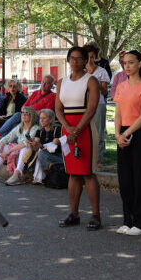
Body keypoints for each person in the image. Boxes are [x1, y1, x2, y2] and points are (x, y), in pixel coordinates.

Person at [55, 46, 103, 229]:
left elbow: (91, 109)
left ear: (85, 60)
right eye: (72, 58)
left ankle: (96, 215)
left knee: (88, 173)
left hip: (85, 129)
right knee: (73, 173)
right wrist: (68, 129)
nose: (75, 62)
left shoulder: (91, 80)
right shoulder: (61, 82)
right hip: (68, 129)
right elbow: (58, 109)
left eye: (79, 58)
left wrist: (76, 131)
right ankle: (73, 214)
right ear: (68, 60)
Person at [113, 50, 141, 235]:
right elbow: (118, 113)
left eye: (131, 62)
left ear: (139, 64)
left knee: (140, 179)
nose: (127, 66)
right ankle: (127, 220)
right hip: (122, 134)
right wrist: (117, 135)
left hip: (138, 134)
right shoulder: (121, 86)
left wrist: (127, 133)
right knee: (125, 180)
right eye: (124, 63)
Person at [0, 106, 38, 184]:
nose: (23, 115)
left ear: (32, 116)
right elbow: (5, 139)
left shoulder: (35, 128)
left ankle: (17, 174)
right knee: (5, 147)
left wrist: (9, 151)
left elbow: (25, 143)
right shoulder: (20, 127)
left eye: (27, 113)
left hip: (31, 151)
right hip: (18, 149)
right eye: (22, 113)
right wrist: (0, 151)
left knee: (25, 148)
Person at [0, 75, 55, 144]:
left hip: (38, 118)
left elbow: (46, 113)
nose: (43, 84)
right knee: (17, 124)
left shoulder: (53, 96)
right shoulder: (35, 93)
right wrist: (29, 111)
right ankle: (3, 141)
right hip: (27, 115)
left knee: (18, 115)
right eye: (43, 82)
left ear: (51, 85)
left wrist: (31, 112)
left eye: (46, 83)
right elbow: (24, 107)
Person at [85, 43, 111, 163]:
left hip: (98, 105)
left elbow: (105, 92)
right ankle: (86, 160)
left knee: (98, 134)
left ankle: (98, 160)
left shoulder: (102, 71)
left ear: (95, 57)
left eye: (92, 57)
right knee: (85, 134)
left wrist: (96, 83)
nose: (90, 60)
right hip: (83, 106)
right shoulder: (81, 71)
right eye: (87, 57)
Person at [31, 109, 65, 184]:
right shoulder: (40, 131)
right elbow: (36, 149)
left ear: (50, 119)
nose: (41, 120)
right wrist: (33, 145)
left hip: (60, 157)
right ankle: (41, 177)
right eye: (40, 118)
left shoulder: (58, 129)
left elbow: (56, 149)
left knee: (41, 153)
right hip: (47, 156)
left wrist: (58, 141)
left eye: (44, 118)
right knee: (40, 152)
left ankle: (44, 175)